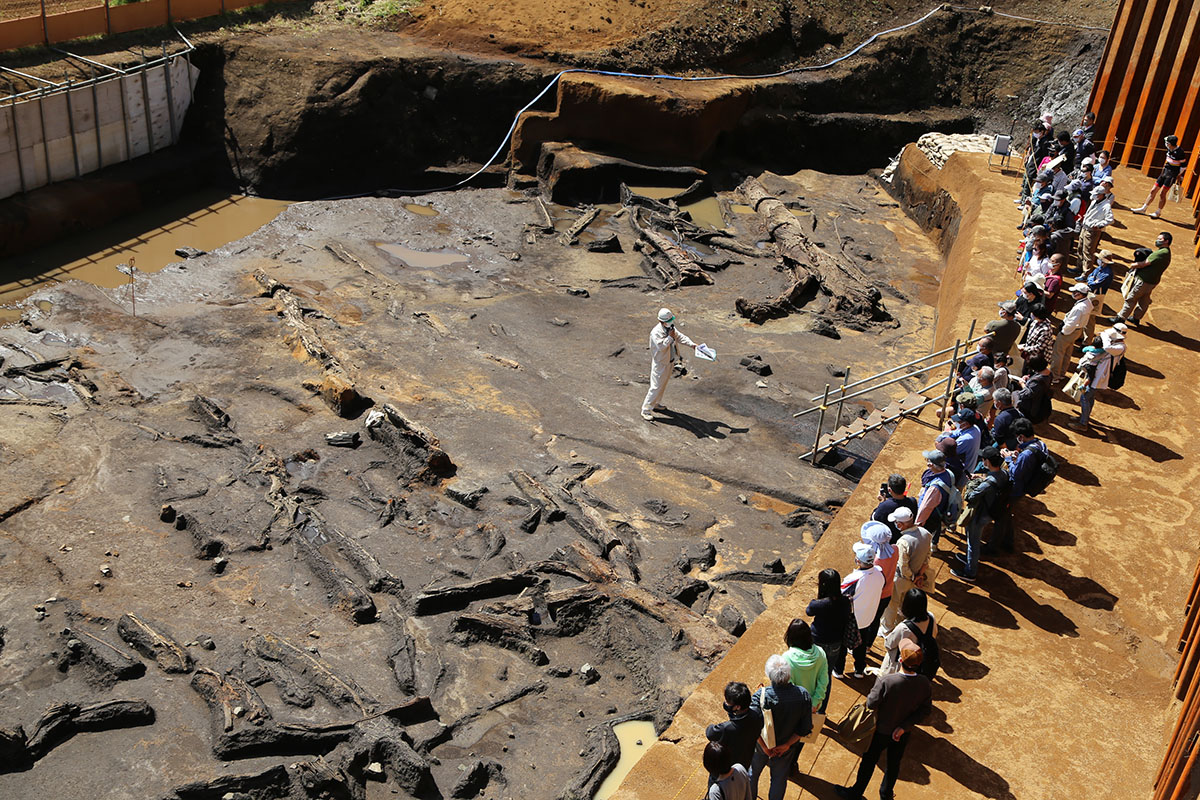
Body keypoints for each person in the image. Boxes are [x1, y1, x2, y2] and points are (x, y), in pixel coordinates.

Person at [835, 640, 932, 800]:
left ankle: (856, 792)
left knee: (869, 761)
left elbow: (871, 703)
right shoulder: (924, 683)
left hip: (880, 731)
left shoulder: (887, 681)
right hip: (902, 732)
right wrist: (904, 727)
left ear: (900, 660)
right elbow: (925, 710)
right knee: (893, 764)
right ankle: (886, 795)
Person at [749, 654, 812, 800]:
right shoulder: (803, 695)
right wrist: (787, 745)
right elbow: (805, 727)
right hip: (786, 747)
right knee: (779, 779)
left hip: (762, 745)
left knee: (753, 773)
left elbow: (752, 725)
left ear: (769, 675)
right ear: (789, 674)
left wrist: (764, 747)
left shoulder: (760, 695)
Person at [951, 447, 1011, 581]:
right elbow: (991, 479)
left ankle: (970, 572)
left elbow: (970, 496)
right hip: (992, 511)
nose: (982, 460)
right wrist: (980, 477)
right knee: (971, 538)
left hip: (980, 515)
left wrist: (972, 482)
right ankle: (968, 558)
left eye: (984, 459)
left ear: (988, 461)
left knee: (973, 541)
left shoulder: (988, 483)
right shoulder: (1003, 474)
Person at [996, 418, 1046, 552]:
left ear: (1021, 436)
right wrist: (1017, 457)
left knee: (1002, 515)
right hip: (1026, 484)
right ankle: (1007, 542)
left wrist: (1008, 458)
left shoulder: (1027, 455)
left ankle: (998, 545)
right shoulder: (1041, 444)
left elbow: (1015, 473)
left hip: (1016, 488)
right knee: (1006, 513)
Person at [881, 508, 932, 634]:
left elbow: (903, 566)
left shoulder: (903, 541)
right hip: (917, 577)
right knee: (906, 603)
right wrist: (919, 575)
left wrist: (912, 576)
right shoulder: (926, 534)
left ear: (900, 524)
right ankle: (901, 624)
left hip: (902, 579)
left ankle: (887, 629)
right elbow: (927, 557)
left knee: (892, 604)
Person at [641, 307, 697, 421]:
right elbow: (661, 346)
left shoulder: (670, 328)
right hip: (660, 363)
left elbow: (680, 336)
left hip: (670, 361)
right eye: (669, 320)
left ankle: (656, 403)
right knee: (656, 387)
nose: (671, 322)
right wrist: (670, 337)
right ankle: (646, 410)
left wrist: (692, 344)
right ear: (661, 321)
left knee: (663, 384)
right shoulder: (656, 332)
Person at [1068, 326, 1126, 432]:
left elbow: (1107, 348)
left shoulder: (1120, 347)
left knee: (1085, 397)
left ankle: (1083, 423)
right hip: (1096, 374)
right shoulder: (1114, 343)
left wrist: (1104, 336)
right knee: (1089, 397)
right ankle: (1084, 417)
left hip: (1099, 376)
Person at [843, 542, 885, 678]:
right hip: (868, 617)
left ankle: (838, 670)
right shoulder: (880, 574)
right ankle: (859, 670)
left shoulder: (854, 578)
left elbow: (841, 594)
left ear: (857, 560)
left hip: (852, 619)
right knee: (861, 646)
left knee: (843, 645)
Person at [1115, 231, 1172, 325]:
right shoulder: (1166, 252)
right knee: (1144, 300)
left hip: (1143, 280)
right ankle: (1136, 318)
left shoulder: (1161, 253)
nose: (1157, 240)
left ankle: (1121, 318)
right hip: (1152, 281)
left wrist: (1133, 265)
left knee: (1131, 298)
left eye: (1160, 239)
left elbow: (1143, 264)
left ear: (1166, 241)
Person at [807, 568, 853, 683]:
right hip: (836, 642)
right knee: (826, 675)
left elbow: (809, 611)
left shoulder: (818, 604)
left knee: (812, 673)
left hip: (817, 641)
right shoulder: (846, 601)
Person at [706, 682, 764, 772]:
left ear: (737, 707)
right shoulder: (757, 714)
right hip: (745, 762)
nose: (726, 703)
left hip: (728, 766)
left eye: (727, 702)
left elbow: (710, 732)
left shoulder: (726, 728)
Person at [879, 588, 938, 675]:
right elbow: (934, 634)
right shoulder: (931, 618)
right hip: (921, 664)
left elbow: (889, 644)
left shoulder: (904, 628)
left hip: (900, 668)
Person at [1133, 135, 1189, 218]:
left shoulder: (1180, 153)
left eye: (1167, 143)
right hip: (1164, 172)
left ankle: (1158, 212)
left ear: (1170, 144)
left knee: (1162, 193)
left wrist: (1177, 174)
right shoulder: (1169, 149)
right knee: (1153, 190)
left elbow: (1184, 166)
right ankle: (1143, 208)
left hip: (1171, 174)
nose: (1165, 144)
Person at [861, 522, 897, 647]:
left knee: (867, 621)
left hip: (875, 596)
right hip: (887, 593)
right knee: (876, 621)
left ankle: (863, 645)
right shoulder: (895, 549)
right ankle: (868, 646)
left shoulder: (875, 561)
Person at [782, 619, 829, 715]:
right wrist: (814, 704)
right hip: (813, 707)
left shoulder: (786, 658)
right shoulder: (821, 653)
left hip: (794, 710)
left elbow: (788, 688)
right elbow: (823, 682)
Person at [1051, 284, 1093, 381]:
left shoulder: (1080, 307)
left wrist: (1063, 332)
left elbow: (1071, 323)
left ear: (1081, 294)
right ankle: (1061, 373)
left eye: (1076, 292)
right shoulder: (1088, 302)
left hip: (1070, 332)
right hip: (1077, 332)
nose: (1073, 293)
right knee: (1067, 353)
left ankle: (1054, 376)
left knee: (1058, 353)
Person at [915, 450, 955, 547]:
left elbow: (925, 507)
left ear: (931, 465)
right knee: (936, 526)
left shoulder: (934, 488)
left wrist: (917, 524)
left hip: (930, 517)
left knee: (922, 540)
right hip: (940, 511)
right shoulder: (948, 474)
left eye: (929, 461)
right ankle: (934, 544)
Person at [1077, 177, 1114, 269]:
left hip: (1092, 231)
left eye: (1096, 194)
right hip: (1084, 228)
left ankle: (1086, 272)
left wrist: (1098, 225)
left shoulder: (1106, 206)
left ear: (1101, 195)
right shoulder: (1094, 201)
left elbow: (1110, 220)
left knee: (1088, 252)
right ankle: (1079, 267)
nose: (1094, 196)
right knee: (1080, 249)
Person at [1082, 248, 1116, 342]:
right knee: (1085, 315)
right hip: (1091, 293)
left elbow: (1094, 283)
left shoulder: (1107, 273)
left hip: (1095, 296)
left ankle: (1087, 341)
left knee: (1090, 319)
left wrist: (1091, 280)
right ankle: (1082, 336)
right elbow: (1090, 277)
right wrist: (1091, 280)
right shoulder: (1100, 268)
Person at [872, 474, 918, 542]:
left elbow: (874, 519)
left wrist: (882, 503)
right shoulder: (913, 501)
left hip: (892, 540)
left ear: (889, 490)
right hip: (907, 537)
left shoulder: (885, 506)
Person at [940, 407, 982, 477]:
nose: (955, 423)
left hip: (963, 473)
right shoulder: (974, 428)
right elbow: (956, 433)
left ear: (966, 424)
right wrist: (948, 433)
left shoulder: (966, 439)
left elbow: (946, 450)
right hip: (964, 466)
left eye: (959, 421)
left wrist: (942, 436)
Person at [1013, 355, 1052, 425]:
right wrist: (1029, 378)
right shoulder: (1048, 373)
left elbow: (1027, 393)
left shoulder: (1036, 381)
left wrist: (1022, 384)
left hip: (1030, 406)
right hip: (1039, 400)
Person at [1018, 304, 1055, 374]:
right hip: (1030, 354)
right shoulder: (1035, 322)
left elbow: (1039, 347)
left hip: (1038, 359)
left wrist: (1024, 348)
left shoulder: (1045, 330)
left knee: (1030, 374)